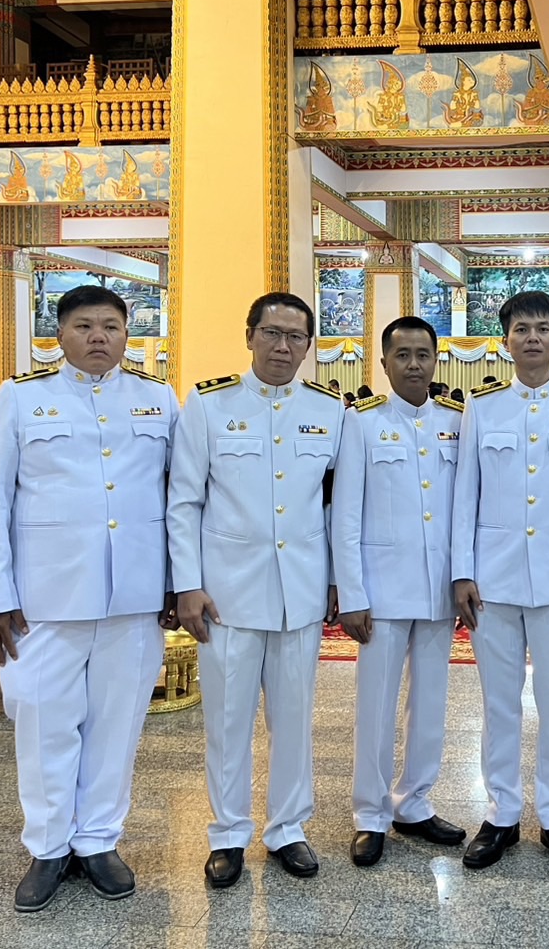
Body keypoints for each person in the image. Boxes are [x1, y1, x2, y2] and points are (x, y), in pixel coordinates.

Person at [0, 285, 179, 912]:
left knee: (117, 725)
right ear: (57, 335)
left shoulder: (158, 399)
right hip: (43, 599)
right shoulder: (20, 398)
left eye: (110, 326)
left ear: (127, 334)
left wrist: (176, 581)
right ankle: (48, 846)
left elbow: (180, 498)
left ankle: (98, 841)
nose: (98, 337)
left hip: (132, 595)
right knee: (43, 723)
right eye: (84, 326)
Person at [168, 292, 345, 888]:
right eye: (272, 333)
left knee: (293, 720)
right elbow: (184, 501)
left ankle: (288, 828)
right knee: (227, 722)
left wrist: (336, 580)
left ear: (308, 346)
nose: (283, 347)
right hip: (227, 595)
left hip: (299, 592)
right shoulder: (210, 404)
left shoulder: (329, 410)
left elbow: (338, 507)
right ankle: (227, 834)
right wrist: (187, 585)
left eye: (296, 337)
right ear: (249, 336)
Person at [451, 291, 549, 874]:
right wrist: (462, 571)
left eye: (543, 328)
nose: (533, 338)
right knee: (498, 702)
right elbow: (464, 494)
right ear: (506, 341)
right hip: (492, 580)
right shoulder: (482, 407)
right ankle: (501, 814)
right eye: (522, 329)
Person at [334, 317, 468, 867]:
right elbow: (345, 514)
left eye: (423, 354)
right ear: (385, 362)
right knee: (376, 705)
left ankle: (414, 802)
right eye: (402, 355)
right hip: (381, 591)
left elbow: (463, 509)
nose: (414, 364)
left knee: (430, 702)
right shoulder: (361, 422)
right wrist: (352, 592)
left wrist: (462, 578)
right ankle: (371, 813)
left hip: (438, 588)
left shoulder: (457, 422)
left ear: (436, 360)